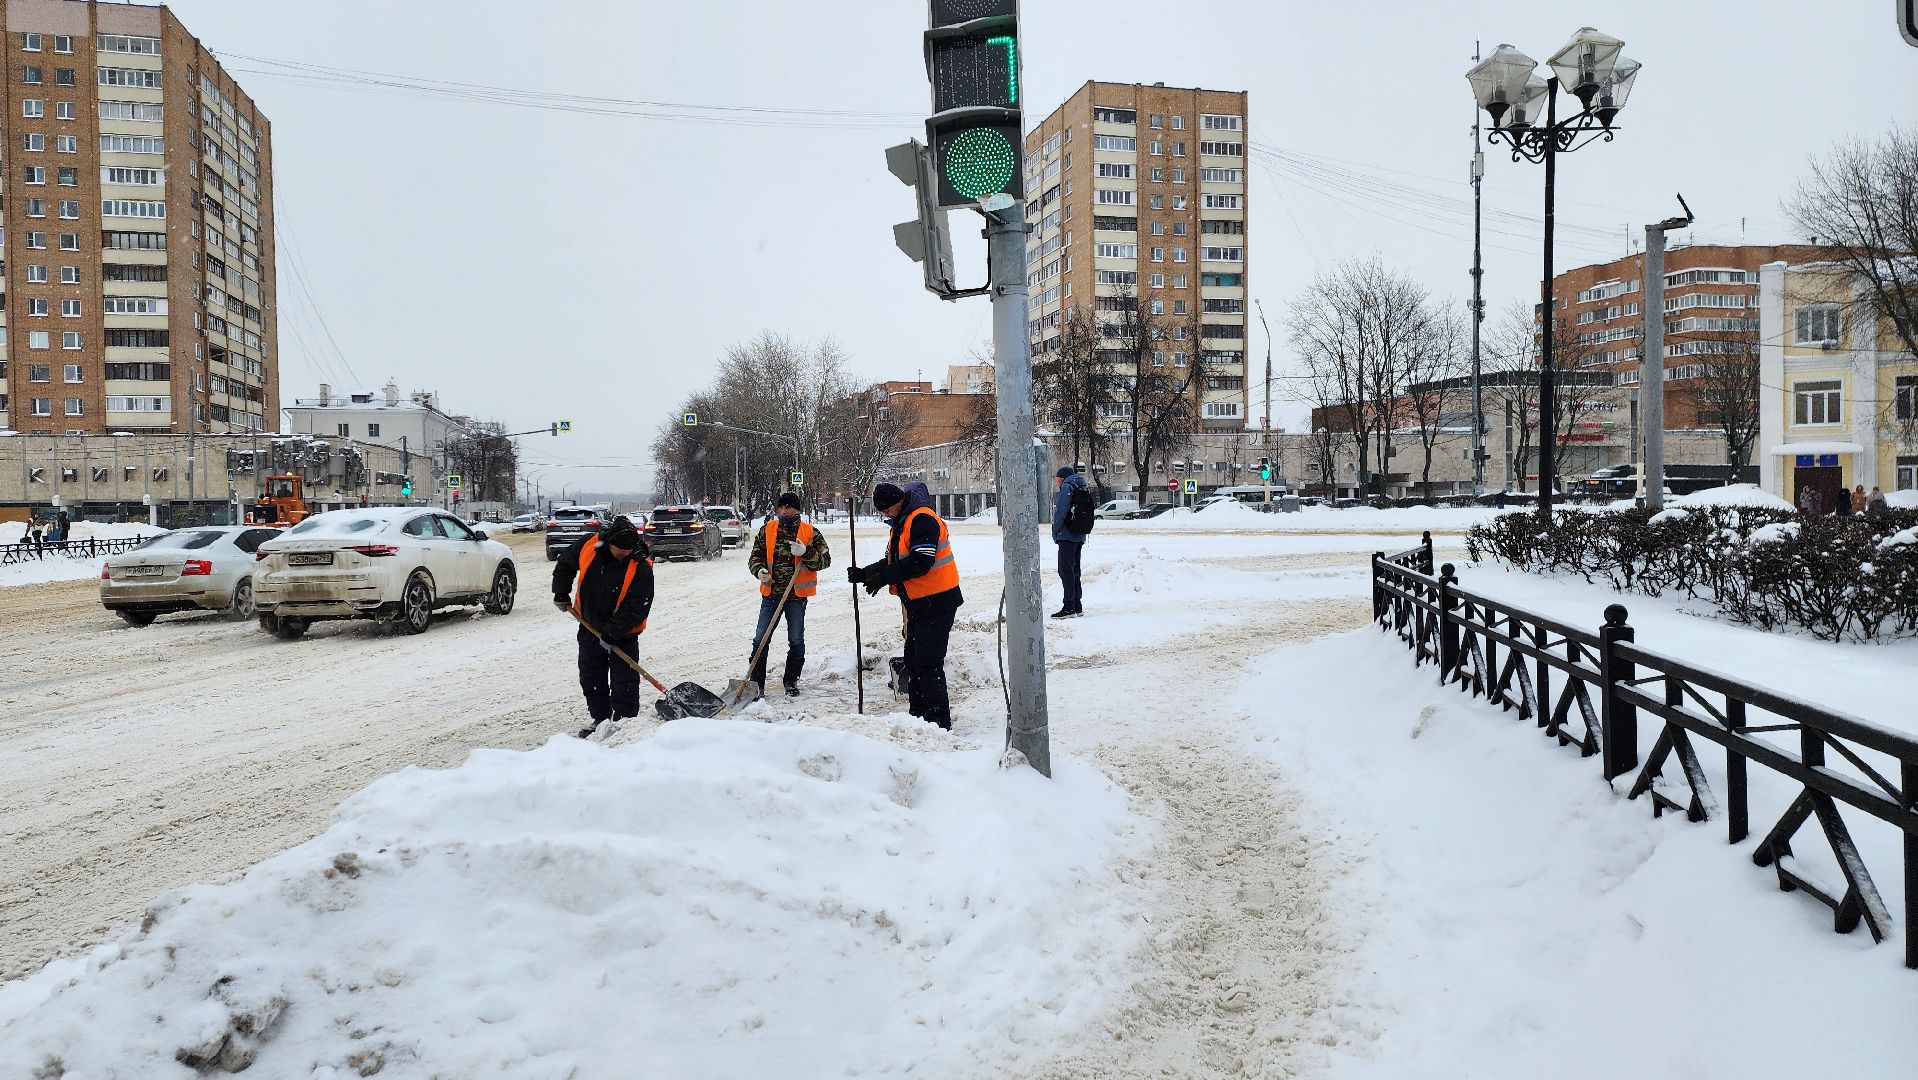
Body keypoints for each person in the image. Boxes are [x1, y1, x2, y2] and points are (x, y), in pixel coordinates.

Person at [848, 482, 962, 730]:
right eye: (882, 511)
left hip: (938, 601)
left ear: (899, 501)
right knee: (913, 662)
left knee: (928, 663)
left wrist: (884, 578)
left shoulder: (922, 519)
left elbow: (920, 562)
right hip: (920, 604)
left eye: (888, 509)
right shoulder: (902, 522)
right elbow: (894, 561)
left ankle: (938, 722)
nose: (886, 514)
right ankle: (918, 718)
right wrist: (866, 573)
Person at [552, 516, 654, 738]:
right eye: (621, 549)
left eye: (629, 549)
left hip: (624, 634)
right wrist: (560, 592)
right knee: (591, 676)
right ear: (609, 542)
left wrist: (612, 633)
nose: (625, 553)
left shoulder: (641, 565)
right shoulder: (589, 545)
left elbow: (638, 606)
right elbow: (565, 564)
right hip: (589, 625)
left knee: (624, 680)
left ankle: (624, 724)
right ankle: (600, 719)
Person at [746, 492, 832, 697]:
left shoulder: (810, 532)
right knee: (760, 639)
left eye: (788, 507)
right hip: (771, 595)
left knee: (796, 640)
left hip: (796, 597)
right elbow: (755, 556)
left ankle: (791, 680)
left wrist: (806, 552)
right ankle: (756, 683)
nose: (784, 511)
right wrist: (759, 571)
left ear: (797, 509)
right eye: (781, 507)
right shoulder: (767, 530)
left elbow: (825, 560)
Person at [1051, 465, 1089, 619]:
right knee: (1074, 571)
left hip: (1067, 535)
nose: (1057, 482)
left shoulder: (1067, 486)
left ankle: (1069, 607)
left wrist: (1055, 531)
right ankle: (1077, 605)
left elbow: (1061, 511)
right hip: (1079, 534)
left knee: (1065, 571)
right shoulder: (1081, 486)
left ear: (1062, 477)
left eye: (1057, 479)